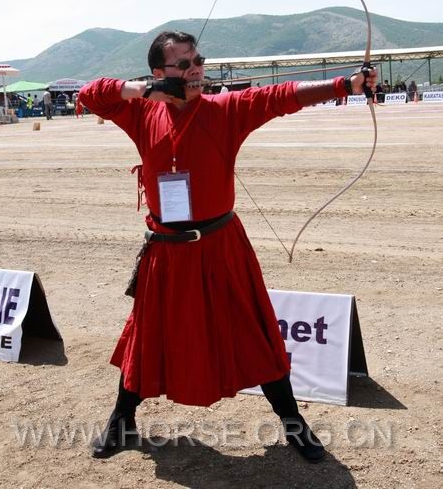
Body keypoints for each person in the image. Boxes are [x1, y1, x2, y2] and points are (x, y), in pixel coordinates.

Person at [79, 31, 377, 462]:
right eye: (183, 64)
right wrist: (142, 90)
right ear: (159, 72)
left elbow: (279, 96)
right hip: (168, 249)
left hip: (220, 245)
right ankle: (121, 421)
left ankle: (294, 424)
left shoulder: (225, 109)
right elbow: (90, 95)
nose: (195, 69)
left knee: (254, 333)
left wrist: (344, 85)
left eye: (198, 60)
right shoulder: (141, 112)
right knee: (148, 335)